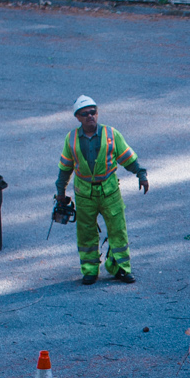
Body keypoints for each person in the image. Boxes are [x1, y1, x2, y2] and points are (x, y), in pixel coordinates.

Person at [54, 95, 148, 284]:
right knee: (86, 232)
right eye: (85, 114)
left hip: (110, 192)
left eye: (93, 112)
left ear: (97, 113)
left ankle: (121, 269)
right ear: (77, 117)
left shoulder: (111, 134)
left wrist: (141, 174)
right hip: (84, 195)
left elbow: (127, 157)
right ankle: (90, 271)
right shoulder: (71, 139)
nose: (90, 116)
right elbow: (65, 168)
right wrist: (61, 192)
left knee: (118, 230)